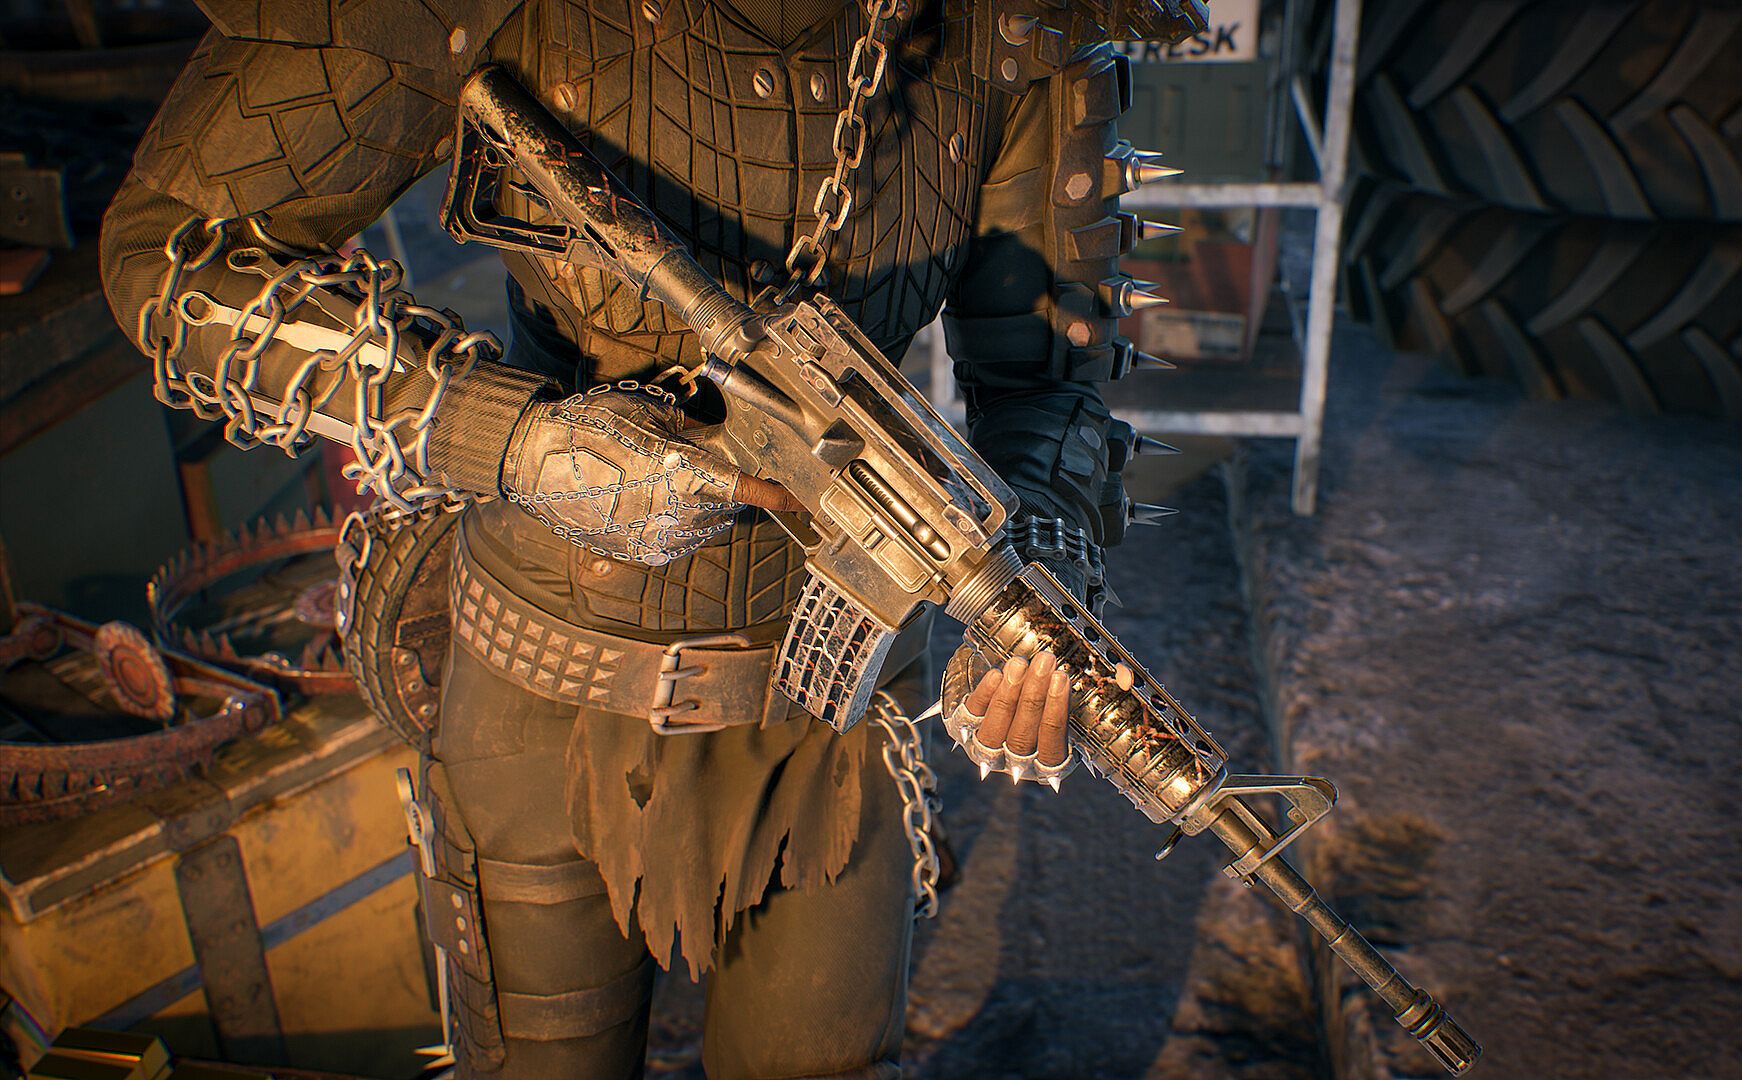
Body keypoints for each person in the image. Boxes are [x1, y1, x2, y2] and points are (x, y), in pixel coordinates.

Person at [100, 1, 1199, 1075]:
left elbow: (1047, 379)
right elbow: (171, 258)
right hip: (540, 692)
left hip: (826, 717)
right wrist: (515, 438)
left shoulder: (1014, 22)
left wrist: (1034, 588)